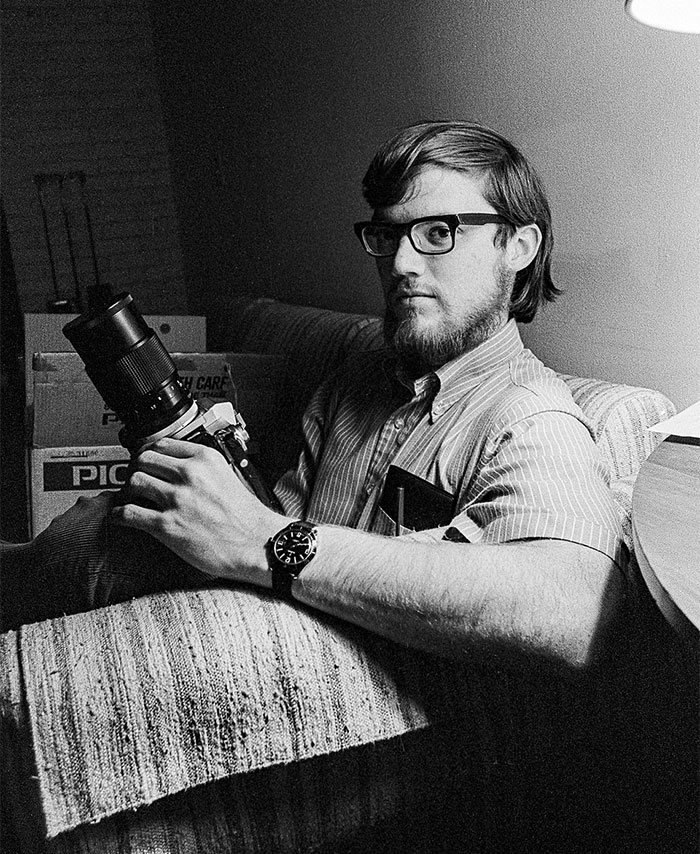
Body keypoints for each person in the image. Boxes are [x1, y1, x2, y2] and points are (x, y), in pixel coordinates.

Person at [93, 119, 625, 673]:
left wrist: (266, 540)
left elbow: (574, 613)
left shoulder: (531, 418)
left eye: (439, 232)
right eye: (387, 236)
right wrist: (220, 497)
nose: (400, 264)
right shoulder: (354, 383)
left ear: (518, 246)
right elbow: (265, 534)